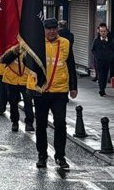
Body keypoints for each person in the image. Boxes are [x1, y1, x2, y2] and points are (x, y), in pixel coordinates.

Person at [7, 18, 77, 169]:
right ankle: (42, 156)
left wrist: (73, 86)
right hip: (41, 91)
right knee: (41, 125)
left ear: (57, 29)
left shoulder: (65, 43)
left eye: (54, 28)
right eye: (48, 29)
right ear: (43, 30)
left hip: (60, 91)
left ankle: (60, 156)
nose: (51, 31)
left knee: (60, 123)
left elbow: (70, 64)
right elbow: (19, 55)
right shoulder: (35, 43)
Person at [91, 23, 114, 97]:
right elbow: (93, 50)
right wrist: (97, 57)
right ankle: (101, 89)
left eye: (104, 31)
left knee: (105, 75)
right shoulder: (96, 40)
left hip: (107, 61)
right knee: (100, 75)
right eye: (101, 31)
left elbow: (113, 50)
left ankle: (103, 88)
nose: (103, 33)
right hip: (98, 61)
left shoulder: (110, 40)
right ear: (99, 32)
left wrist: (110, 57)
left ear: (107, 32)